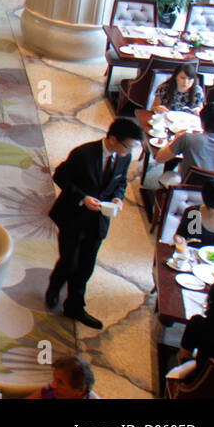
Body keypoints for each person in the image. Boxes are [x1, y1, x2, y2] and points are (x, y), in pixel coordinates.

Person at [46, 117, 143, 328]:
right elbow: (60, 176)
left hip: (99, 220)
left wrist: (118, 197)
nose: (130, 151)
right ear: (113, 139)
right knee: (69, 261)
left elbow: (121, 181)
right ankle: (54, 289)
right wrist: (83, 197)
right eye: (128, 146)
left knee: (86, 265)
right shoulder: (84, 154)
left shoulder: (124, 157)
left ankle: (74, 306)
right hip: (74, 216)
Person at [153, 101, 214, 182]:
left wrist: (175, 139)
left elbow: (159, 158)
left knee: (168, 175)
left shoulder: (186, 138)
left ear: (202, 123)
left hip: (188, 193)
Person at [28, 355, 97, 399]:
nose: (53, 385)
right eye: (54, 379)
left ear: (80, 390)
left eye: (60, 382)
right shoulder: (49, 390)